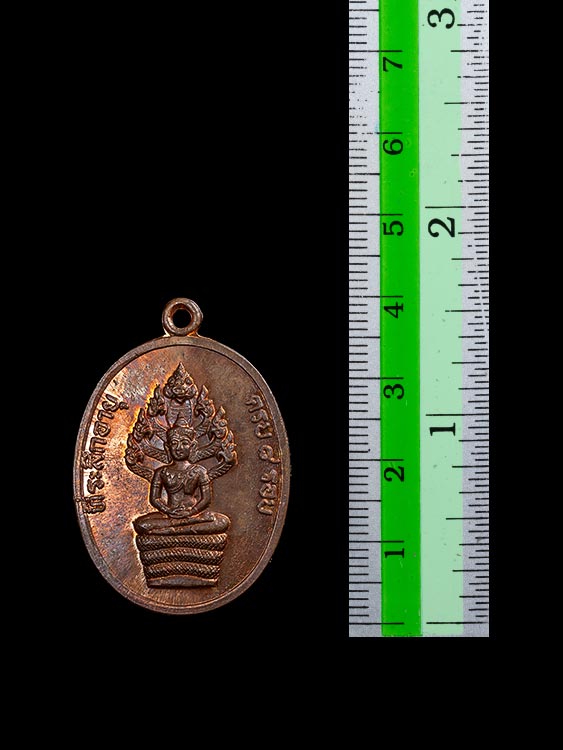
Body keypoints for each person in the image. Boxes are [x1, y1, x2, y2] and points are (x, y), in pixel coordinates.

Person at [133, 422, 229, 535]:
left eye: (184, 443)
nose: (179, 448)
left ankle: (172, 530)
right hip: (170, 515)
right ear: (167, 447)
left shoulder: (199, 471)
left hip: (191, 514)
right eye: (174, 443)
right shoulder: (162, 472)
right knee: (141, 524)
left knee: (222, 522)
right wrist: (168, 510)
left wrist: (191, 512)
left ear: (192, 446)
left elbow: (206, 499)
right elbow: (155, 498)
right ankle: (185, 527)